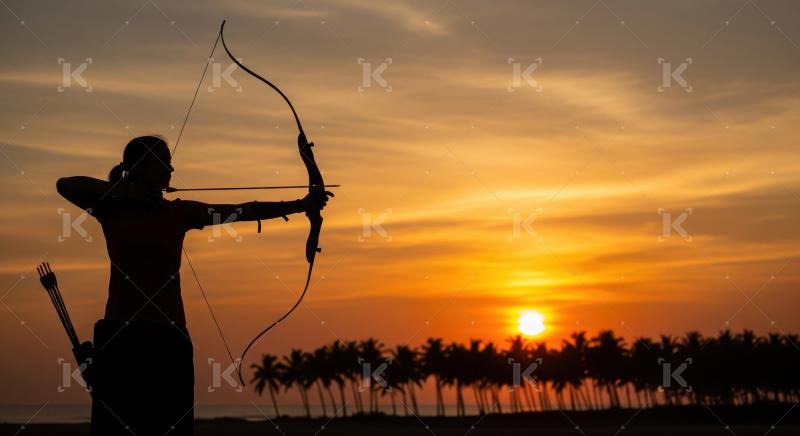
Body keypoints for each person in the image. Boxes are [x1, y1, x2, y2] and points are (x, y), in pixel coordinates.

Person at [56, 135, 331, 436]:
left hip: (169, 337)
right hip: (122, 337)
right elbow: (65, 184)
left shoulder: (179, 212)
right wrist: (128, 191)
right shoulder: (112, 209)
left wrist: (301, 204)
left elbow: (243, 210)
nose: (171, 169)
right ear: (140, 167)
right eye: (163, 161)